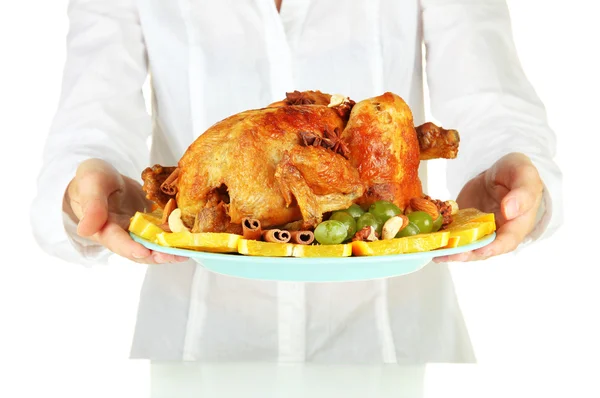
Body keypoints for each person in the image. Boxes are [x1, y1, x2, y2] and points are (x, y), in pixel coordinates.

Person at [31, 0, 563, 363]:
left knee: (383, 114)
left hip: (397, 348)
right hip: (196, 350)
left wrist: (510, 165)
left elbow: (492, 96)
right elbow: (90, 112)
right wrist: (87, 177)